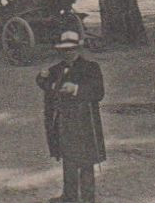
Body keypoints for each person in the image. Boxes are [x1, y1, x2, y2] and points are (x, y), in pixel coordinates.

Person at [36, 30, 106, 202]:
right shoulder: (57, 69)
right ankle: (69, 196)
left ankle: (88, 199)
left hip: (84, 122)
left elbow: (98, 92)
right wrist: (41, 77)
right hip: (63, 122)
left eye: (72, 49)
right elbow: (44, 83)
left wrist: (75, 89)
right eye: (65, 50)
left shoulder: (91, 68)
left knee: (86, 161)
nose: (68, 53)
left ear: (78, 49)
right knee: (68, 160)